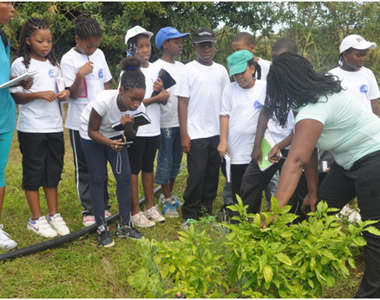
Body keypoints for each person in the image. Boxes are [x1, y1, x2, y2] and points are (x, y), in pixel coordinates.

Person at [267, 52, 380, 298]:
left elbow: (295, 161)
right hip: (347, 163)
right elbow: (308, 150)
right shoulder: (306, 102)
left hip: (374, 158)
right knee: (318, 213)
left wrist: (273, 212)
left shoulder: (316, 105)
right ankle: (302, 274)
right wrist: (313, 192)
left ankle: (370, 294)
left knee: (374, 232)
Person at [10, 17, 70, 238]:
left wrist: (66, 94)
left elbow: (64, 89)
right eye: (40, 41)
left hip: (54, 126)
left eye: (49, 41)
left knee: (53, 171)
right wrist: (38, 95)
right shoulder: (20, 65)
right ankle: (35, 219)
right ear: (27, 41)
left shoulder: (54, 64)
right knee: (34, 172)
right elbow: (15, 97)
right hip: (31, 128)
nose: (46, 45)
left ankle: (53, 214)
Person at [79, 56, 144, 247]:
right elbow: (92, 131)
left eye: (140, 99)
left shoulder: (137, 106)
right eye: (133, 99)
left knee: (124, 177)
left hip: (113, 136)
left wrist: (129, 125)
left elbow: (131, 135)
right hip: (92, 135)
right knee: (98, 178)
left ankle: (125, 224)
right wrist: (109, 143)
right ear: (121, 90)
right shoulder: (103, 101)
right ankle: (101, 227)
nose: (136, 104)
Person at [175, 28, 230, 227]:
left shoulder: (221, 70)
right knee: (197, 173)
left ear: (215, 47)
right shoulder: (188, 70)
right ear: (195, 47)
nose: (207, 49)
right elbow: (182, 102)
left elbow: (227, 101)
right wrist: (184, 134)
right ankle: (190, 213)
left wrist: (226, 134)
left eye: (210, 45)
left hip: (216, 131)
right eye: (202, 45)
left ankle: (207, 211)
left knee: (212, 174)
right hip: (196, 132)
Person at [61, 17, 112, 227]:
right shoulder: (68, 59)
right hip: (79, 122)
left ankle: (104, 205)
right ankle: (89, 209)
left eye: (95, 44)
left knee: (101, 163)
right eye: (88, 45)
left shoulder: (99, 54)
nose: (92, 49)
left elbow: (106, 83)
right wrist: (80, 75)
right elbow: (71, 95)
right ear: (77, 39)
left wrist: (111, 110)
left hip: (101, 120)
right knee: (84, 166)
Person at [239, 38, 295, 214]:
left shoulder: (302, 83)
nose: (276, 64)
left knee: (292, 191)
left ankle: (291, 226)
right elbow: (265, 111)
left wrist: (281, 146)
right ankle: (249, 222)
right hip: (270, 143)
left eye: (281, 59)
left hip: (293, 147)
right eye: (274, 59)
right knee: (250, 183)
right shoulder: (272, 79)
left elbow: (302, 127)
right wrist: (257, 145)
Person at [124, 25, 169, 228]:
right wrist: (156, 97)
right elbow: (129, 102)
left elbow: (163, 100)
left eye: (147, 45)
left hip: (154, 128)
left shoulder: (154, 69)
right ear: (131, 49)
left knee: (148, 167)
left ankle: (150, 206)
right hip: (137, 129)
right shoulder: (129, 71)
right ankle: (135, 210)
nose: (145, 50)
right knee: (134, 169)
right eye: (140, 46)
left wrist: (162, 94)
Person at [0, 2, 31, 249]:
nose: (12, 7)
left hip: (5, 116)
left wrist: (18, 81)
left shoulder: (3, 37)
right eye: (7, 2)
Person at [217, 50, 266, 206]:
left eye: (242, 72)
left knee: (254, 187)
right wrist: (223, 141)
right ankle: (238, 221)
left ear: (252, 68)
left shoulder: (264, 87)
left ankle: (253, 220)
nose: (239, 77)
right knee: (237, 188)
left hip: (257, 148)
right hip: (236, 149)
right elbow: (225, 115)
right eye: (235, 74)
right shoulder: (229, 90)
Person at [153, 27, 189, 218]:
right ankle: (167, 200)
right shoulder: (155, 67)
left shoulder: (183, 67)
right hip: (165, 121)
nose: (180, 45)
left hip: (179, 122)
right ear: (165, 44)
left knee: (176, 160)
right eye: (176, 41)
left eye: (181, 41)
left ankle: (169, 195)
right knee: (165, 160)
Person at [329, 34, 379, 116]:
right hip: (344, 127)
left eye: (364, 54)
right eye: (359, 55)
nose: (363, 58)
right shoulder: (332, 76)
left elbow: (374, 103)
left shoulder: (368, 73)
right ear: (345, 55)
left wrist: (377, 125)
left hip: (367, 125)